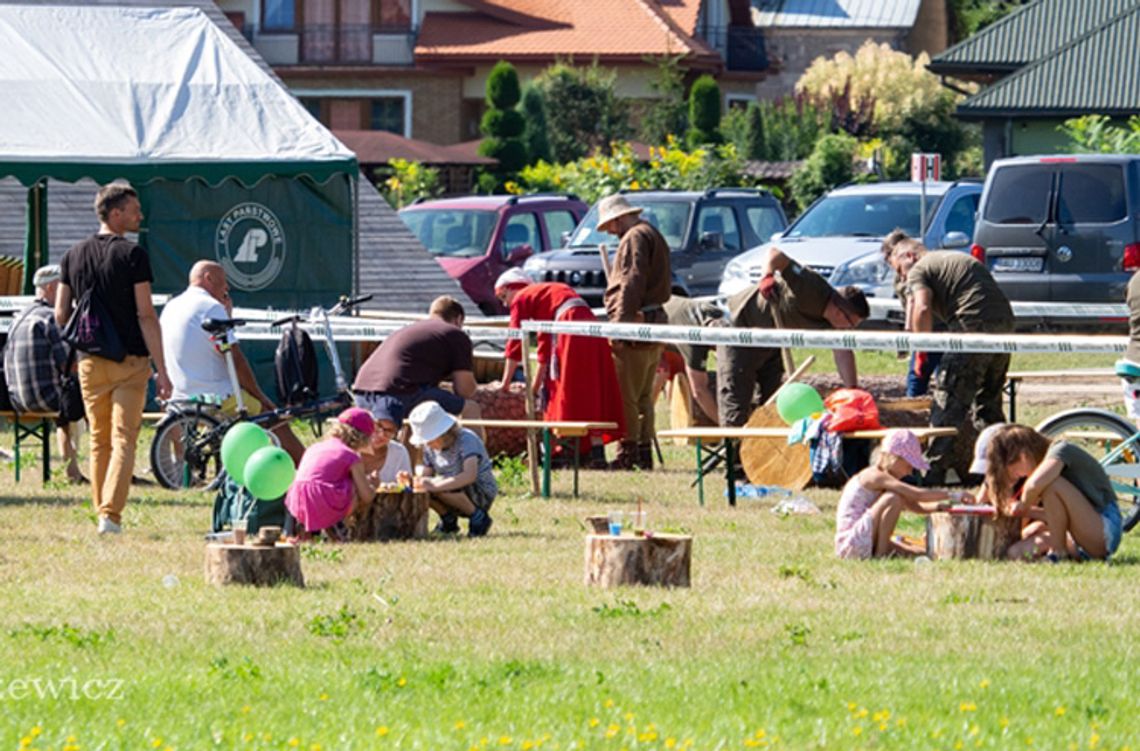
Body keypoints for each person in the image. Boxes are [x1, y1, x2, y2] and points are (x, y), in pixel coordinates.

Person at [55, 182, 172, 535]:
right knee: (124, 438)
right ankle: (111, 515)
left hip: (90, 361)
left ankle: (102, 512)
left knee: (99, 439)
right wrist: (162, 369)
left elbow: (61, 313)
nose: (140, 215)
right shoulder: (134, 256)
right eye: (134, 210)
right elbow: (146, 315)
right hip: (130, 361)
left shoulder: (72, 255)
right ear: (115, 213)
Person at [886, 237, 1014, 484]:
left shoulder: (920, 269)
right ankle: (1006, 469)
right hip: (1004, 324)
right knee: (988, 406)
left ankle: (931, 473)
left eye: (899, 271)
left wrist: (922, 347)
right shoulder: (949, 259)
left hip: (972, 327)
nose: (902, 279)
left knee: (946, 402)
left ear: (909, 257)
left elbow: (922, 308)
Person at [159, 260, 304, 463]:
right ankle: (306, 466)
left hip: (181, 394)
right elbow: (234, 358)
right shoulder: (211, 307)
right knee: (274, 419)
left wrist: (227, 318)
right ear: (208, 278)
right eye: (224, 281)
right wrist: (261, 397)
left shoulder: (171, 307)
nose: (227, 287)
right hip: (217, 395)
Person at [718, 247, 869, 427]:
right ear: (838, 309)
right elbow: (776, 254)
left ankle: (763, 452)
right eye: (850, 322)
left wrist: (852, 391)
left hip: (772, 339)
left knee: (774, 403)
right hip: (739, 329)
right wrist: (767, 276)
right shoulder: (811, 288)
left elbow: (843, 352)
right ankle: (731, 450)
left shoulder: (835, 324)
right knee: (736, 400)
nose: (849, 328)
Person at [494, 268, 625, 467]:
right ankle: (593, 453)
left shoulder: (522, 298)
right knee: (591, 390)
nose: (506, 304)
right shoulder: (545, 297)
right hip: (587, 324)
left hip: (569, 326)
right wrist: (535, 388)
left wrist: (504, 385)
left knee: (565, 389)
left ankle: (566, 450)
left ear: (513, 288)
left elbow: (514, 342)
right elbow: (544, 352)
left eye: (504, 297)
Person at [597, 194, 672, 469]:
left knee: (627, 395)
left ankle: (629, 452)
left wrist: (621, 326)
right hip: (653, 323)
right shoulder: (651, 232)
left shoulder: (634, 237)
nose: (612, 232)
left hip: (637, 325)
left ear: (618, 218)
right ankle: (643, 452)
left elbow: (631, 281)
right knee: (643, 396)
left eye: (611, 226)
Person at [980, 424, 1122, 562]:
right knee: (1015, 552)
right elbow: (1058, 515)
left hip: (1104, 528)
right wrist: (1028, 512)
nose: (1019, 476)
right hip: (1078, 537)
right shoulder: (1043, 472)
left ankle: (1058, 553)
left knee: (1051, 484)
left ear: (1023, 456)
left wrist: (1022, 505)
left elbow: (1034, 485)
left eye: (1015, 471)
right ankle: (1062, 553)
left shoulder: (1061, 450)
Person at [353, 295, 483, 439]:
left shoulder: (409, 329)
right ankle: (476, 457)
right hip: (401, 391)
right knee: (471, 407)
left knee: (417, 419)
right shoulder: (455, 333)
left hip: (362, 389)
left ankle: (409, 461)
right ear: (458, 319)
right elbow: (464, 390)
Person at [4, 264, 84, 483]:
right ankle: (108, 467)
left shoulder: (19, 317)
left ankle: (73, 472)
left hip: (17, 400)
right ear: (51, 288)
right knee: (98, 402)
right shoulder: (51, 318)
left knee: (67, 408)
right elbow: (70, 365)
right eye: (64, 286)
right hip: (45, 399)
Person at [835, 429, 957, 559]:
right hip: (851, 543)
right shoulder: (875, 476)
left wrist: (937, 507)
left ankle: (886, 549)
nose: (910, 472)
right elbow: (917, 495)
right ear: (893, 458)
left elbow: (914, 505)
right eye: (909, 465)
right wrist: (954, 495)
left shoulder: (886, 482)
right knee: (893, 498)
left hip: (861, 539)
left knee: (918, 552)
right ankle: (881, 554)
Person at [285, 407, 377, 542]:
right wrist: (373, 484)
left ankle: (306, 534)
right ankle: (340, 529)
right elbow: (366, 496)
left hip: (297, 501)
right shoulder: (350, 456)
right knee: (352, 485)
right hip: (325, 500)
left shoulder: (314, 447)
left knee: (329, 483)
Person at [407, 400, 496, 537]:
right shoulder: (429, 448)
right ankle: (448, 520)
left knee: (441, 487)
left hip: (478, 490)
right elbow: (427, 474)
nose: (428, 445)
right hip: (450, 485)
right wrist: (418, 482)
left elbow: (469, 475)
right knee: (425, 489)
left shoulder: (466, 440)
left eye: (430, 440)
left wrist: (436, 486)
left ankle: (478, 517)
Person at [882, 229, 942, 397]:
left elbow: (913, 301)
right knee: (924, 377)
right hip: (928, 326)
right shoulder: (903, 273)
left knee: (919, 378)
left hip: (928, 328)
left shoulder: (913, 271)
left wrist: (908, 333)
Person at [660, 295, 723, 423]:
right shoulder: (694, 339)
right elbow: (699, 391)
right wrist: (728, 428)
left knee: (678, 376)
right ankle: (641, 433)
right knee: (660, 375)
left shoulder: (718, 314)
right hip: (647, 327)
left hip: (673, 321)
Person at [359, 395, 412, 485]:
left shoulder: (399, 452)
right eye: (378, 425)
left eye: (389, 431)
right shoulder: (350, 448)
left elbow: (405, 488)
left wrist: (405, 482)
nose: (381, 434)